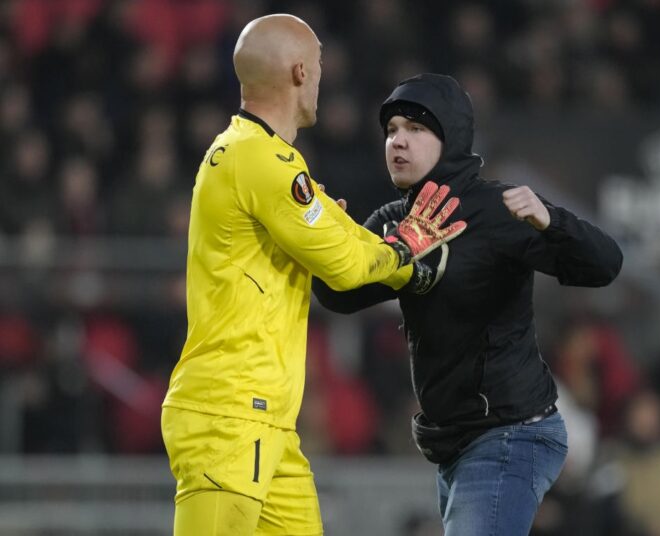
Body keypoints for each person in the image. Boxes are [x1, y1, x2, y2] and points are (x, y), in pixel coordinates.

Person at [160, 18, 466, 536]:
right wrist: (406, 251)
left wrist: (378, 247)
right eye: (319, 66)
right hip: (229, 416)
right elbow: (345, 264)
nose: (323, 79)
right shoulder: (262, 162)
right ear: (301, 71)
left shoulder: (263, 159)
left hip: (269, 422)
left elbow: (343, 240)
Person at [312, 73, 623, 535]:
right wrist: (329, 243)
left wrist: (553, 220)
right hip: (457, 443)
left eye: (417, 129)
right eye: (392, 129)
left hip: (511, 432)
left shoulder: (497, 209)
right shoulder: (397, 221)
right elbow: (338, 296)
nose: (398, 141)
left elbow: (605, 265)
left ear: (451, 137)